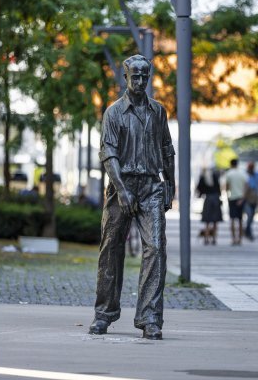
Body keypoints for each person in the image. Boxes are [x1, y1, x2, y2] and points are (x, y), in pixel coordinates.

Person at [89, 55, 175, 340]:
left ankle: (150, 318)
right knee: (111, 250)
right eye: (134, 77)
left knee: (156, 249)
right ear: (125, 77)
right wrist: (123, 190)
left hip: (151, 187)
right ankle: (104, 313)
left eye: (144, 77)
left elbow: (166, 148)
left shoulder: (158, 111)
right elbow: (108, 153)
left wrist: (170, 184)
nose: (139, 82)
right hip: (120, 187)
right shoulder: (113, 113)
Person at [196, 167, 223, 245]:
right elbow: (218, 188)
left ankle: (206, 239)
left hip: (208, 199)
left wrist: (201, 194)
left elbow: (199, 188)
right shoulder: (215, 176)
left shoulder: (203, 177)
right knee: (215, 221)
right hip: (215, 199)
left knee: (207, 221)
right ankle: (214, 239)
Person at [225, 158, 248, 246]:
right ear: (237, 164)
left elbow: (226, 187)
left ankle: (234, 238)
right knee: (240, 220)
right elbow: (246, 186)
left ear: (231, 164)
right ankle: (240, 239)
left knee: (232, 220)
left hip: (232, 198)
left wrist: (227, 196)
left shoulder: (229, 174)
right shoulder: (243, 173)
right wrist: (243, 198)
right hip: (241, 198)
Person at [244, 162, 258, 241]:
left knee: (252, 216)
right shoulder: (245, 175)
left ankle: (247, 230)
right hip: (247, 198)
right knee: (249, 214)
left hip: (254, 197)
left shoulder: (257, 175)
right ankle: (249, 232)